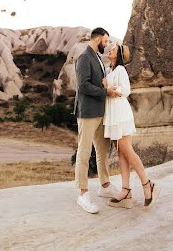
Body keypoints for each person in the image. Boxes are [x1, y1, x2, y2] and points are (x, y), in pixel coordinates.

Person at [102, 42, 161, 209]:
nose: (110, 50)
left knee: (127, 150)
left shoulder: (121, 70)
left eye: (113, 49)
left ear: (118, 54)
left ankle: (148, 184)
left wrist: (110, 88)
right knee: (121, 152)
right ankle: (126, 191)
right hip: (112, 114)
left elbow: (126, 90)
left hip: (120, 113)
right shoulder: (109, 70)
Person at [74, 27, 122, 213]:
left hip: (100, 112)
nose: (107, 44)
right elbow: (83, 85)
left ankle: (105, 185)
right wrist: (106, 92)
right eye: (106, 40)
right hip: (87, 113)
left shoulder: (98, 58)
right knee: (84, 153)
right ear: (99, 38)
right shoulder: (84, 57)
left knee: (103, 151)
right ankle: (83, 194)